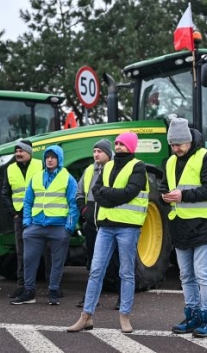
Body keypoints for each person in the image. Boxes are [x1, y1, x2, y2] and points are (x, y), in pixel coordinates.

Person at [68, 132, 148, 334]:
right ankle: (86, 316)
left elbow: (130, 192)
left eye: (122, 144)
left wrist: (109, 197)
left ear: (130, 147)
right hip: (105, 226)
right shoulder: (107, 166)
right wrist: (114, 197)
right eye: (117, 143)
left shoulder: (138, 166)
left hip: (128, 227)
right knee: (96, 270)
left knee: (126, 272)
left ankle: (124, 316)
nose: (119, 146)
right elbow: (97, 191)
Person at [161, 118, 207, 338]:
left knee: (203, 275)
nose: (176, 148)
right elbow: (164, 185)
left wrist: (183, 195)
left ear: (188, 140)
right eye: (173, 145)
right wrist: (164, 195)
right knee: (186, 276)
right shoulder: (169, 162)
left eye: (179, 144)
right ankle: (193, 315)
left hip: (204, 224)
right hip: (180, 225)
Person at [10, 145, 79, 305]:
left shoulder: (67, 178)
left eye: (53, 157)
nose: (49, 159)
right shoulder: (36, 177)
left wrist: (68, 227)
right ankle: (29, 291)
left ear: (59, 159)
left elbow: (73, 205)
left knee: (57, 261)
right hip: (36, 226)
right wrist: (27, 222)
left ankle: (53, 291)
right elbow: (27, 201)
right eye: (47, 157)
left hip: (59, 227)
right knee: (29, 259)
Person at [75, 139, 121, 309]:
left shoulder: (117, 170)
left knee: (117, 262)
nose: (96, 154)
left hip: (112, 223)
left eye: (99, 151)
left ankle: (122, 297)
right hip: (92, 224)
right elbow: (79, 193)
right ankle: (90, 297)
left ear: (109, 154)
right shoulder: (88, 170)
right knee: (93, 263)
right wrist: (84, 212)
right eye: (94, 151)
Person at [1, 140, 43, 299]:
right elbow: (5, 193)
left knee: (46, 250)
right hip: (20, 215)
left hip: (39, 214)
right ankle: (21, 285)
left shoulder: (40, 165)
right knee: (21, 252)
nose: (18, 153)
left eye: (21, 151)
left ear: (29, 152)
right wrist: (13, 213)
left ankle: (53, 287)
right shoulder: (10, 169)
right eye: (16, 151)